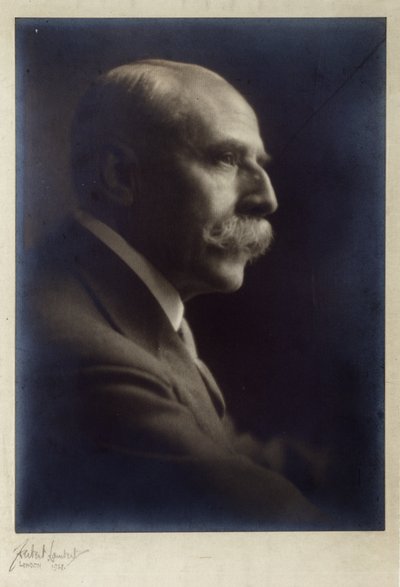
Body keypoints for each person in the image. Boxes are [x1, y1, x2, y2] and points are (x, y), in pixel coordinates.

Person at [18, 59, 327, 531]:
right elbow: (272, 522)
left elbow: (232, 452)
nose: (267, 199)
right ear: (120, 177)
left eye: (259, 165)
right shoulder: (91, 356)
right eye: (226, 158)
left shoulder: (119, 299)